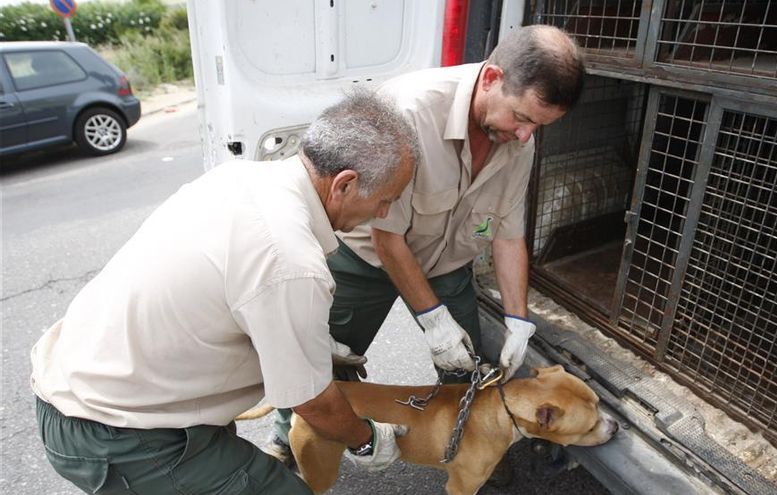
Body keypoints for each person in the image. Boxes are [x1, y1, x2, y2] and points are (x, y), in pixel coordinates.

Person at [31, 91, 419, 495]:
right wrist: (368, 439)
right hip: (114, 431)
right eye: (385, 200)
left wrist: (312, 344)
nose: (384, 215)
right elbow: (312, 403)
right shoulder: (290, 260)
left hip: (77, 384)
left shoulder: (238, 177)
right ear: (345, 184)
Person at [268, 25, 585, 474]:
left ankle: (472, 455)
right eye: (522, 117)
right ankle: (289, 440)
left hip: (446, 262)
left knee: (469, 369)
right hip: (368, 257)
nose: (526, 135)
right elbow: (387, 237)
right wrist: (433, 322)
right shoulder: (411, 113)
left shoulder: (519, 140)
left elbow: (508, 234)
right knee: (325, 359)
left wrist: (519, 320)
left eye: (539, 125)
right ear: (492, 78)